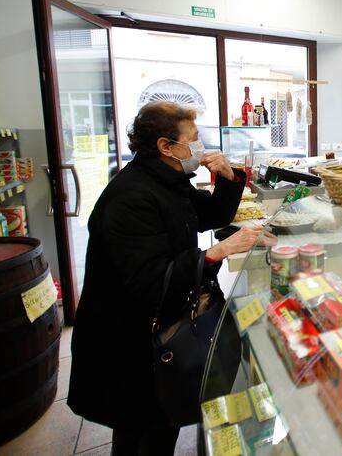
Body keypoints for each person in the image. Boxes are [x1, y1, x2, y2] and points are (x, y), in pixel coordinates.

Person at [68, 101, 274, 455]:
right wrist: (219, 251)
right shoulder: (132, 197)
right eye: (194, 139)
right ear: (165, 146)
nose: (201, 146)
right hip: (127, 339)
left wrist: (228, 178)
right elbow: (151, 281)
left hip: (153, 331)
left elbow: (207, 215)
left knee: (158, 421)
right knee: (143, 426)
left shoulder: (166, 179)